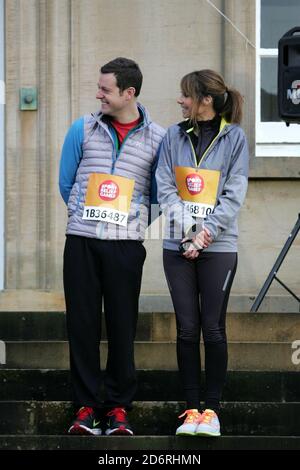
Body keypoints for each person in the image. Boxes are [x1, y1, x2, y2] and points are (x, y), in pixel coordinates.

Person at [59, 57, 165, 436]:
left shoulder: (159, 138)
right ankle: (86, 408)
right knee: (82, 326)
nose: (98, 94)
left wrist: (135, 225)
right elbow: (66, 182)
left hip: (125, 249)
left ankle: (118, 408)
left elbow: (160, 193)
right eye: (99, 87)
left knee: (122, 327)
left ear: (129, 93)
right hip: (82, 243)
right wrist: (80, 216)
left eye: (105, 89)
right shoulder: (82, 128)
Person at [156, 69, 249, 437]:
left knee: (212, 329)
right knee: (186, 329)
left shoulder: (235, 138)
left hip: (219, 247)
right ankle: (192, 409)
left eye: (185, 95)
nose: (180, 101)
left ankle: (212, 410)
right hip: (177, 246)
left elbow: (235, 192)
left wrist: (205, 235)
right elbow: (165, 186)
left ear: (205, 100)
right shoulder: (172, 136)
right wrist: (190, 232)